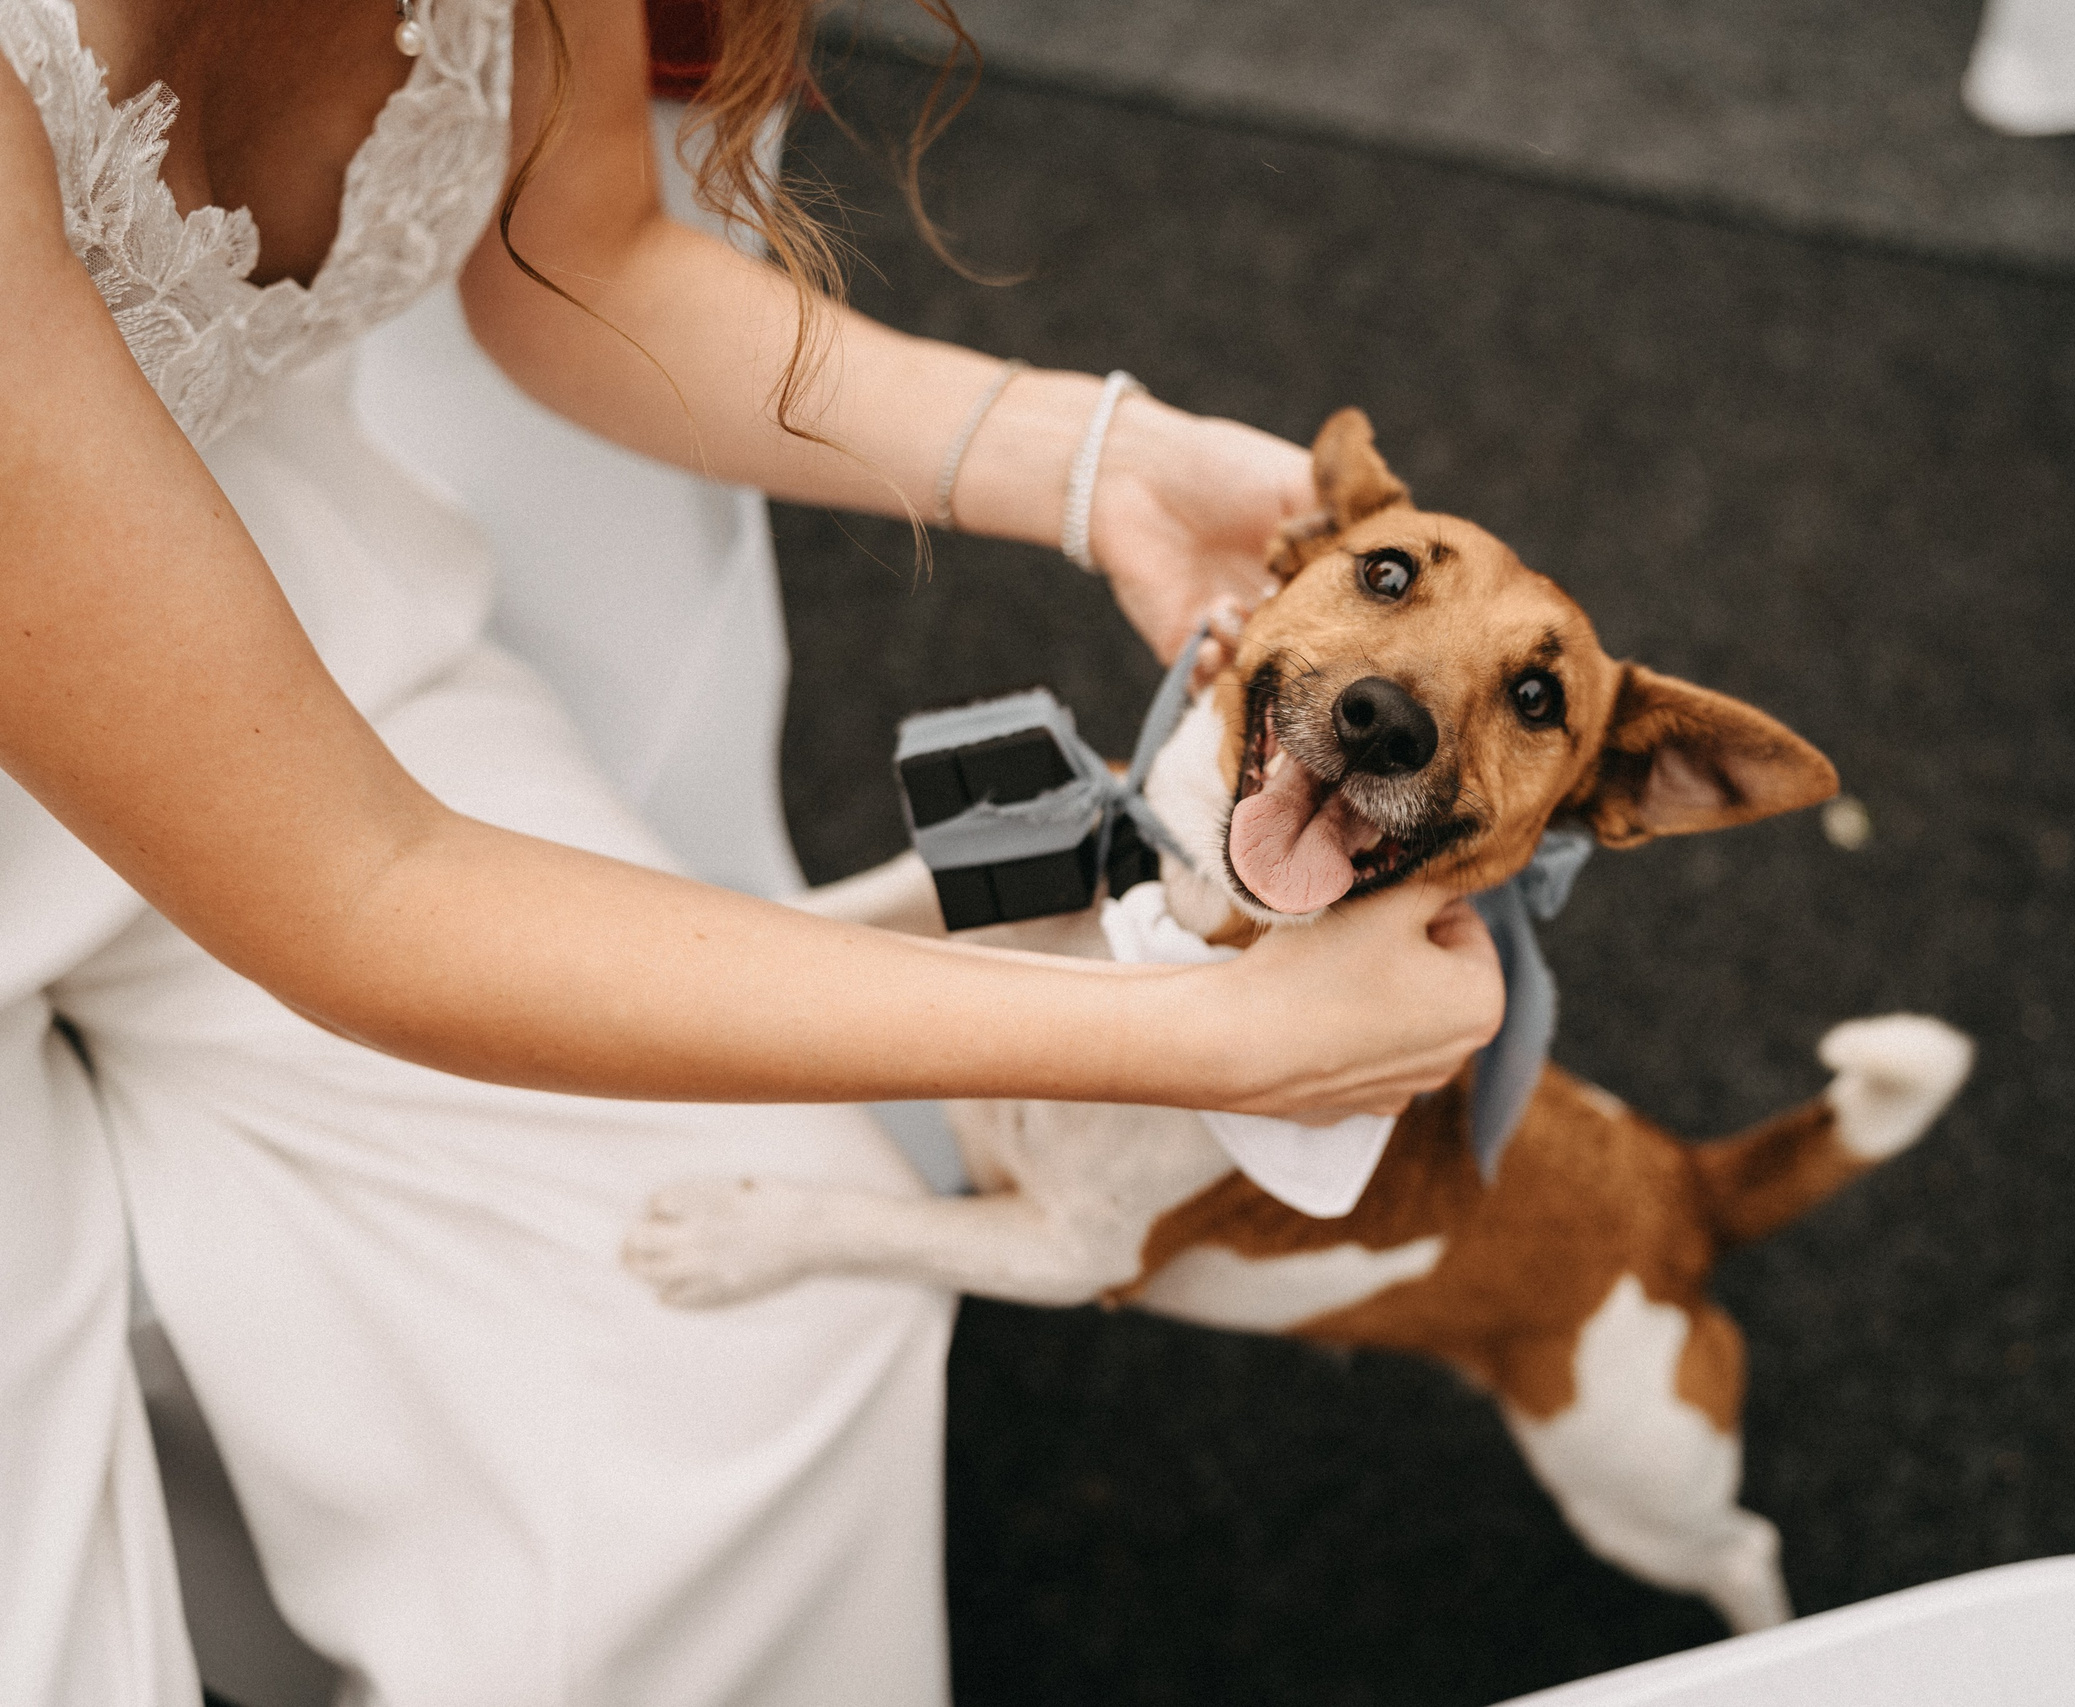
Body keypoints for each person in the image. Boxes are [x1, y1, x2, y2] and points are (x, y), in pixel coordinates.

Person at [0, 0, 1505, 1701]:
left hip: (273, 636)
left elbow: (590, 267)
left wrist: (1104, 466)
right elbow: (364, 891)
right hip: (317, 834)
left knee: (774, 1329)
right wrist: (1215, 1037)